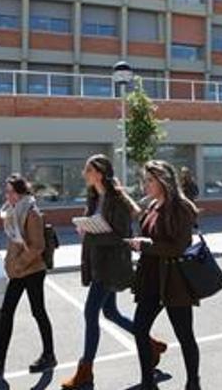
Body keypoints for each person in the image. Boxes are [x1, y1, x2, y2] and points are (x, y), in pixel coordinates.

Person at [61, 155, 167, 389]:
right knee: (111, 313)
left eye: (87, 170)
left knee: (90, 313)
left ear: (99, 173)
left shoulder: (116, 200)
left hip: (111, 266)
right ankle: (150, 344)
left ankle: (85, 371)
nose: (83, 174)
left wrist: (92, 233)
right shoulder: (93, 197)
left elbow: (122, 237)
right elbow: (97, 230)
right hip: (98, 262)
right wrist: (86, 228)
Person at [127, 160, 201, 390]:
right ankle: (148, 382)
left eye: (149, 180)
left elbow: (178, 247)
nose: (145, 184)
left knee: (185, 335)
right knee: (140, 329)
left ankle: (192, 382)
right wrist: (137, 244)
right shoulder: (152, 206)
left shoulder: (181, 207)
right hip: (150, 278)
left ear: (163, 181)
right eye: (144, 179)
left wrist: (145, 246)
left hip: (174, 280)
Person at [0, 174, 56, 375]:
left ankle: (49, 355)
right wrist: (12, 265)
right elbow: (15, 242)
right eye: (6, 191)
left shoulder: (31, 212)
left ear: (19, 193)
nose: (6, 195)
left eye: (10, 191)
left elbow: (38, 246)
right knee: (7, 312)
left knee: (38, 312)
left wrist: (18, 264)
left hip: (33, 270)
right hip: (19, 272)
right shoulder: (13, 212)